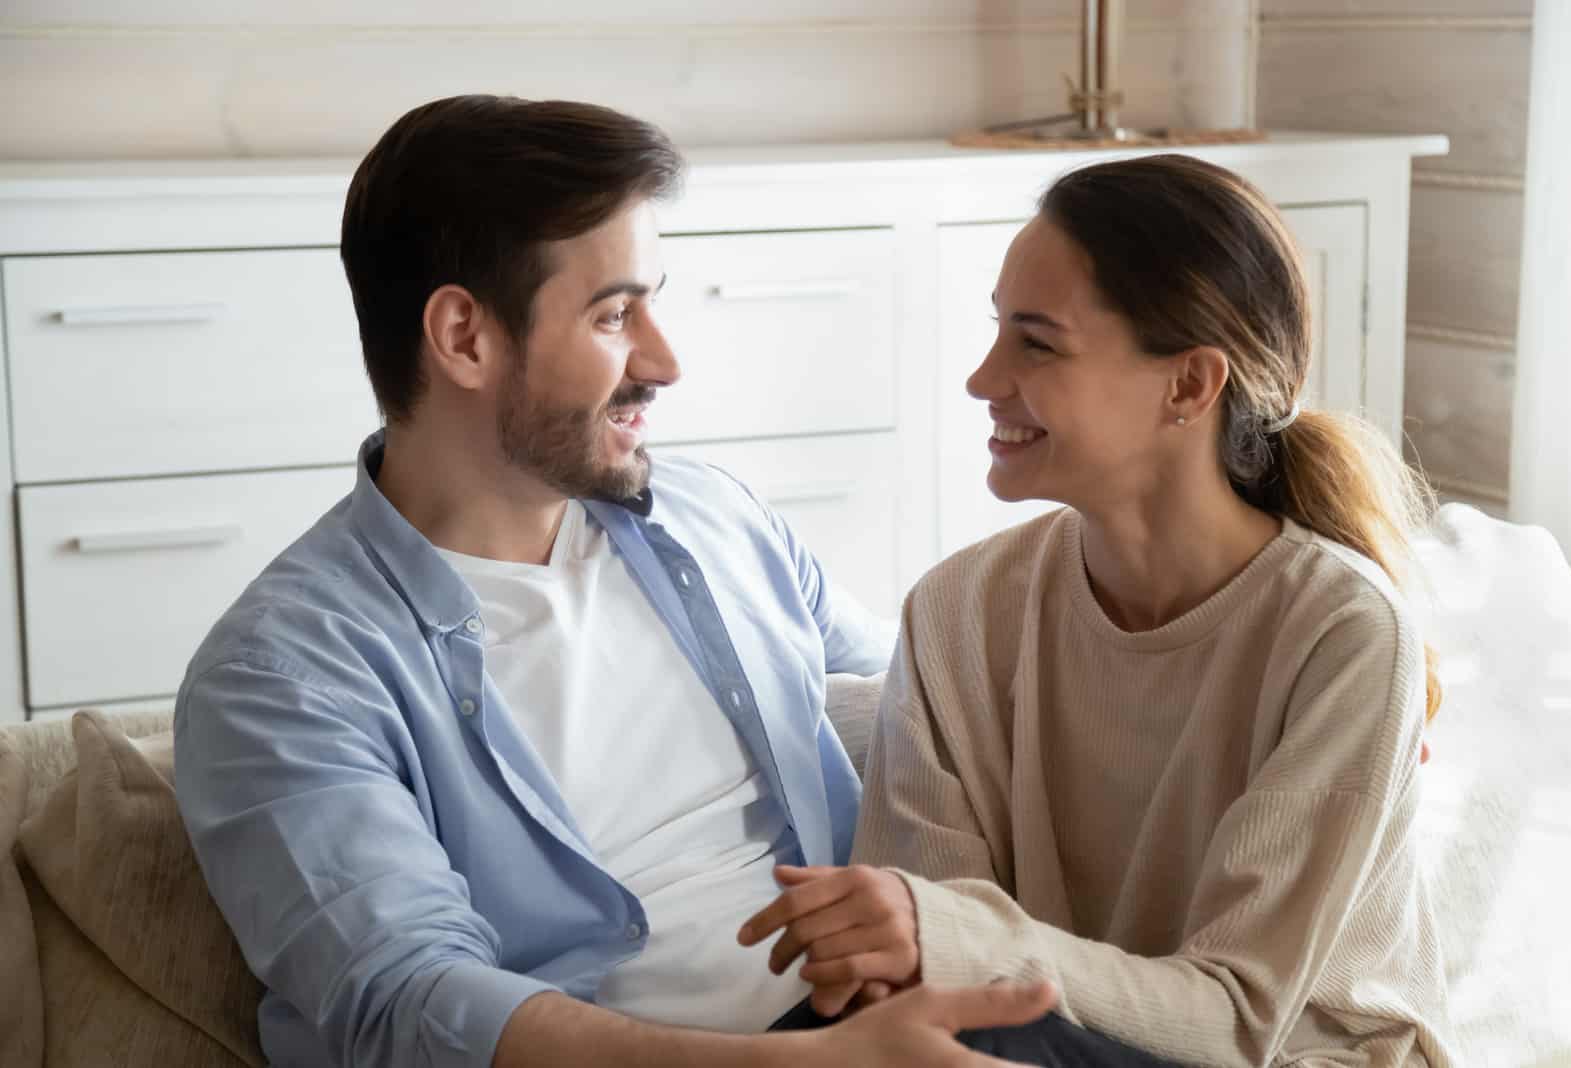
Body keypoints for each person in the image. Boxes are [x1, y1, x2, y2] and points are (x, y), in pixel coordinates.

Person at [172, 94, 1057, 1068]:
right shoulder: (282, 677)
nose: (665, 361)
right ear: (464, 337)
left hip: (896, 1014)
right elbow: (409, 1005)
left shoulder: (714, 518)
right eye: (613, 314)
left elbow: (929, 722)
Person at [744, 154, 1457, 1066]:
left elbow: (1237, 1022)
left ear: (1191, 385)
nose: (983, 378)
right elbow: (928, 981)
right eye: (998, 330)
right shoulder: (957, 613)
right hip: (1048, 1036)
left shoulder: (1343, 633)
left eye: (1035, 343)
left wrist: (950, 940)